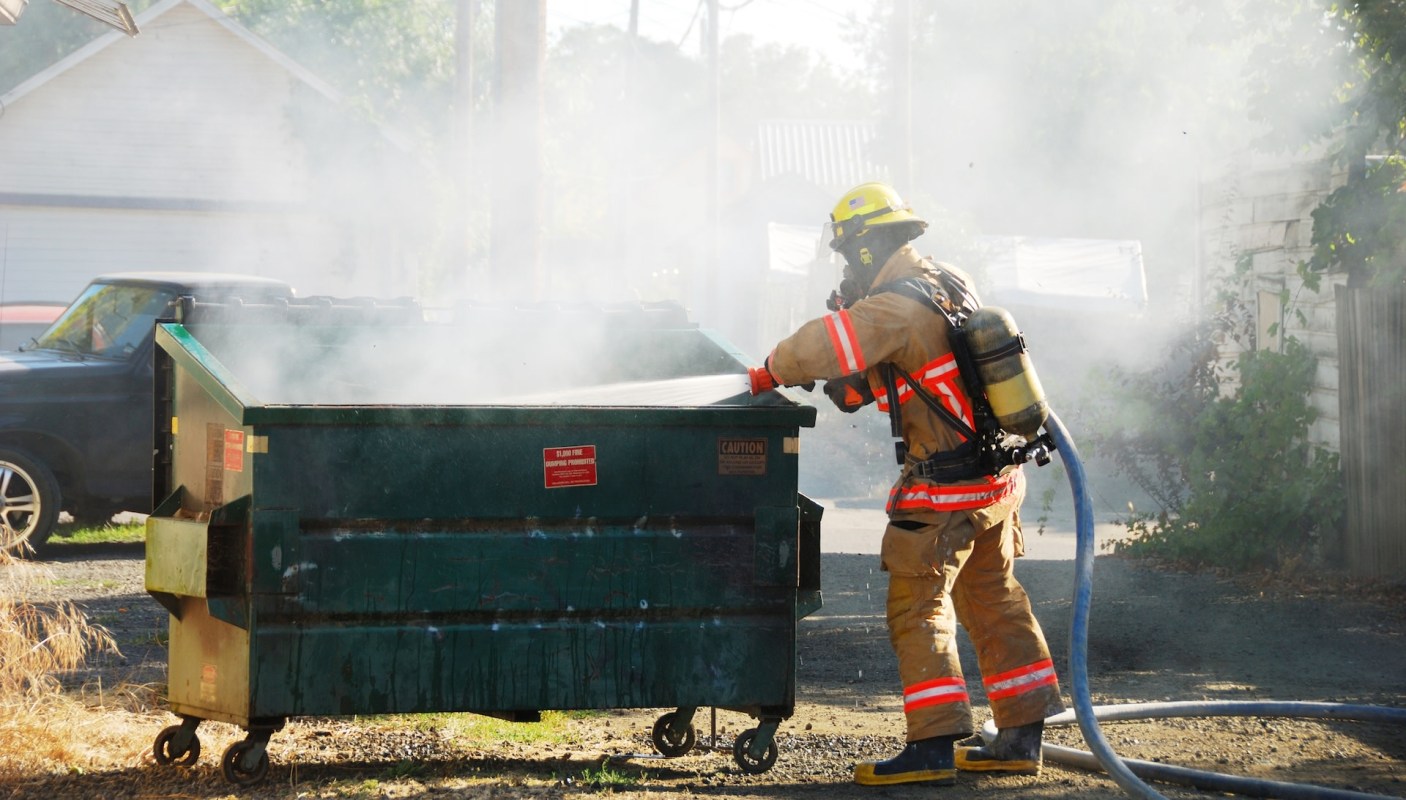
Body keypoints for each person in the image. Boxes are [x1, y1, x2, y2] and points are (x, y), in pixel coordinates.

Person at [747, 182, 1065, 787]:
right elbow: (919, 366)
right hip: (995, 481)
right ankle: (1022, 738)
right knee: (995, 598)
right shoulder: (947, 279)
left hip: (946, 492)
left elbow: (819, 346)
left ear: (867, 248)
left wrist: (769, 371)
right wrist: (855, 379)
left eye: (848, 253)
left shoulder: (891, 307)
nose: (845, 264)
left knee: (917, 609)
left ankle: (933, 745)